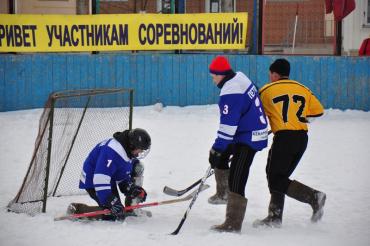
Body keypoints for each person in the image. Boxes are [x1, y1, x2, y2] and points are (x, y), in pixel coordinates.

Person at [254, 58, 326, 228]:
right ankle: (275, 217)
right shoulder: (303, 89)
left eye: (270, 74)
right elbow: (318, 111)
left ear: (275, 74)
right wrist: (297, 118)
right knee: (279, 176)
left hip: (284, 139)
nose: (270, 77)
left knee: (275, 177)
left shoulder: (266, 90)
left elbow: (258, 115)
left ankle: (313, 197)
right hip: (301, 139)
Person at [208, 56, 268, 232]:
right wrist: (219, 152)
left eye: (214, 76)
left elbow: (227, 127)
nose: (213, 79)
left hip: (250, 137)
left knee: (237, 176)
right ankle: (223, 193)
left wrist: (217, 149)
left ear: (221, 74)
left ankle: (232, 223)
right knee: (221, 157)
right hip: (246, 131)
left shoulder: (230, 92)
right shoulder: (240, 76)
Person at [66, 128, 151, 221]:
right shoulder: (112, 151)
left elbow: (122, 176)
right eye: (140, 150)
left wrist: (132, 189)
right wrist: (110, 201)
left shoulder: (126, 151)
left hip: (108, 177)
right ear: (132, 145)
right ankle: (77, 210)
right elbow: (99, 179)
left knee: (119, 212)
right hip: (92, 179)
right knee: (112, 214)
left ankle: (129, 208)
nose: (140, 153)